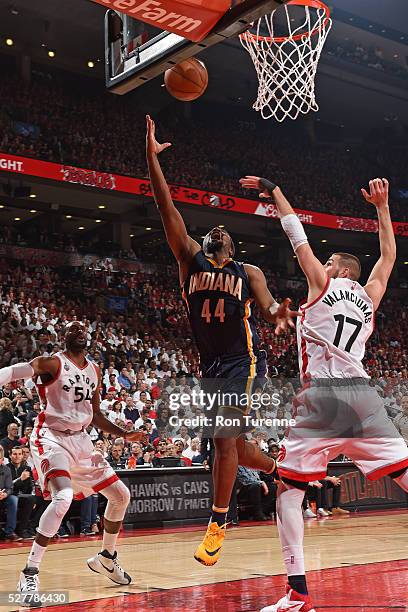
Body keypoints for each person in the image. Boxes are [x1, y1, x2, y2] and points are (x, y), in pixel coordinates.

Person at [240, 175, 408, 611]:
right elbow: (388, 256)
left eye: (330, 261)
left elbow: (296, 235)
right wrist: (383, 208)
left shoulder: (322, 284)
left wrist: (277, 191)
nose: (324, 263)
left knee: (288, 493)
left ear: (339, 271)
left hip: (323, 400)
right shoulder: (369, 297)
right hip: (365, 398)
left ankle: (297, 596)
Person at [146, 115, 298, 566]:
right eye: (212, 230)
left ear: (230, 247)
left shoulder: (247, 272)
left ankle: (217, 523)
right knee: (232, 445)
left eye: (224, 232)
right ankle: (281, 469)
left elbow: (269, 307)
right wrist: (151, 160)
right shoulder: (189, 259)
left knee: (223, 439)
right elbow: (164, 205)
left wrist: (279, 315)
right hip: (210, 367)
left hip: (242, 361)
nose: (217, 230)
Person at [0, 321, 146, 600]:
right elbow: (14, 372)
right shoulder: (52, 363)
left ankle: (106, 556)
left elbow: (96, 414)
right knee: (63, 497)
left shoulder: (94, 370)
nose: (79, 331)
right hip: (51, 437)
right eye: (73, 329)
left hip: (80, 440)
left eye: (83, 329)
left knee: (120, 496)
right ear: (64, 337)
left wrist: (125, 434)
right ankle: (29, 573)